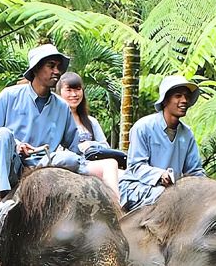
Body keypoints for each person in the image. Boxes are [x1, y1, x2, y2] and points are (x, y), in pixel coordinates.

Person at [0, 43, 83, 217]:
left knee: (70, 159)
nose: (57, 71)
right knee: (2, 134)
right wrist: (16, 146)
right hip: (13, 166)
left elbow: (74, 148)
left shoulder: (62, 107)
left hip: (43, 167)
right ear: (36, 68)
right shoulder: (9, 96)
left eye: (58, 67)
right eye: (51, 66)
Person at [118, 75, 206, 211]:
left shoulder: (187, 133)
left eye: (187, 96)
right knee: (168, 197)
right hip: (137, 187)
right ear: (165, 100)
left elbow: (194, 171)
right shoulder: (143, 127)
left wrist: (208, 187)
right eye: (178, 96)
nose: (184, 100)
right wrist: (160, 175)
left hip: (172, 190)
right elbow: (136, 166)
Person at [57, 71, 119, 197]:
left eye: (78, 89)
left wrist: (90, 145)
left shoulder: (91, 122)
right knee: (110, 165)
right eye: (69, 90)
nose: (74, 94)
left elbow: (105, 147)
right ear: (59, 93)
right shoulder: (54, 120)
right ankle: (115, 204)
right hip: (68, 163)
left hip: (90, 163)